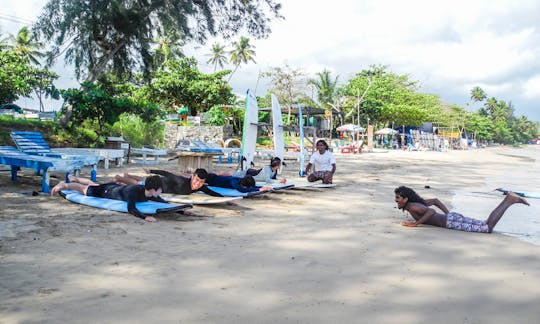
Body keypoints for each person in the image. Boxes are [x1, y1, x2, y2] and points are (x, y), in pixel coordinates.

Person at [394, 186, 530, 233]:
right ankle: (510, 200)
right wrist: (448, 214)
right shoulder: (414, 204)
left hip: (451, 222)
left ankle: (509, 200)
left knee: (487, 227)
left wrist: (415, 224)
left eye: (398, 198)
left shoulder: (413, 206)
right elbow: (435, 201)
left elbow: (431, 211)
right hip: (451, 219)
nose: (396, 200)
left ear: (406, 199)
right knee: (485, 224)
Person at [51, 175, 167, 222]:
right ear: (153, 189)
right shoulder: (135, 192)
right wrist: (145, 217)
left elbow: (162, 201)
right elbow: (131, 208)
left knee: (93, 184)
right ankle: (65, 185)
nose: (162, 191)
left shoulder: (150, 193)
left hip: (115, 188)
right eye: (160, 189)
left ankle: (75, 177)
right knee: (84, 190)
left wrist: (180, 210)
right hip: (107, 192)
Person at [114, 168, 223, 197]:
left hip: (160, 182)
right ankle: (118, 177)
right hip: (158, 183)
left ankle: (127, 176)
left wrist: (226, 200)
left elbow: (211, 192)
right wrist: (151, 171)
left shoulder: (200, 187)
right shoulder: (181, 181)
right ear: (192, 176)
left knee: (141, 180)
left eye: (201, 182)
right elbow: (166, 173)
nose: (197, 184)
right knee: (138, 184)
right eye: (196, 180)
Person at [206, 173, 273, 193]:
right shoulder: (234, 182)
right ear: (243, 185)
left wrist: (264, 188)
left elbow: (251, 186)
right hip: (210, 179)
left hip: (214, 178)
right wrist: (258, 189)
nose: (248, 188)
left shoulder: (242, 180)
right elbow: (242, 190)